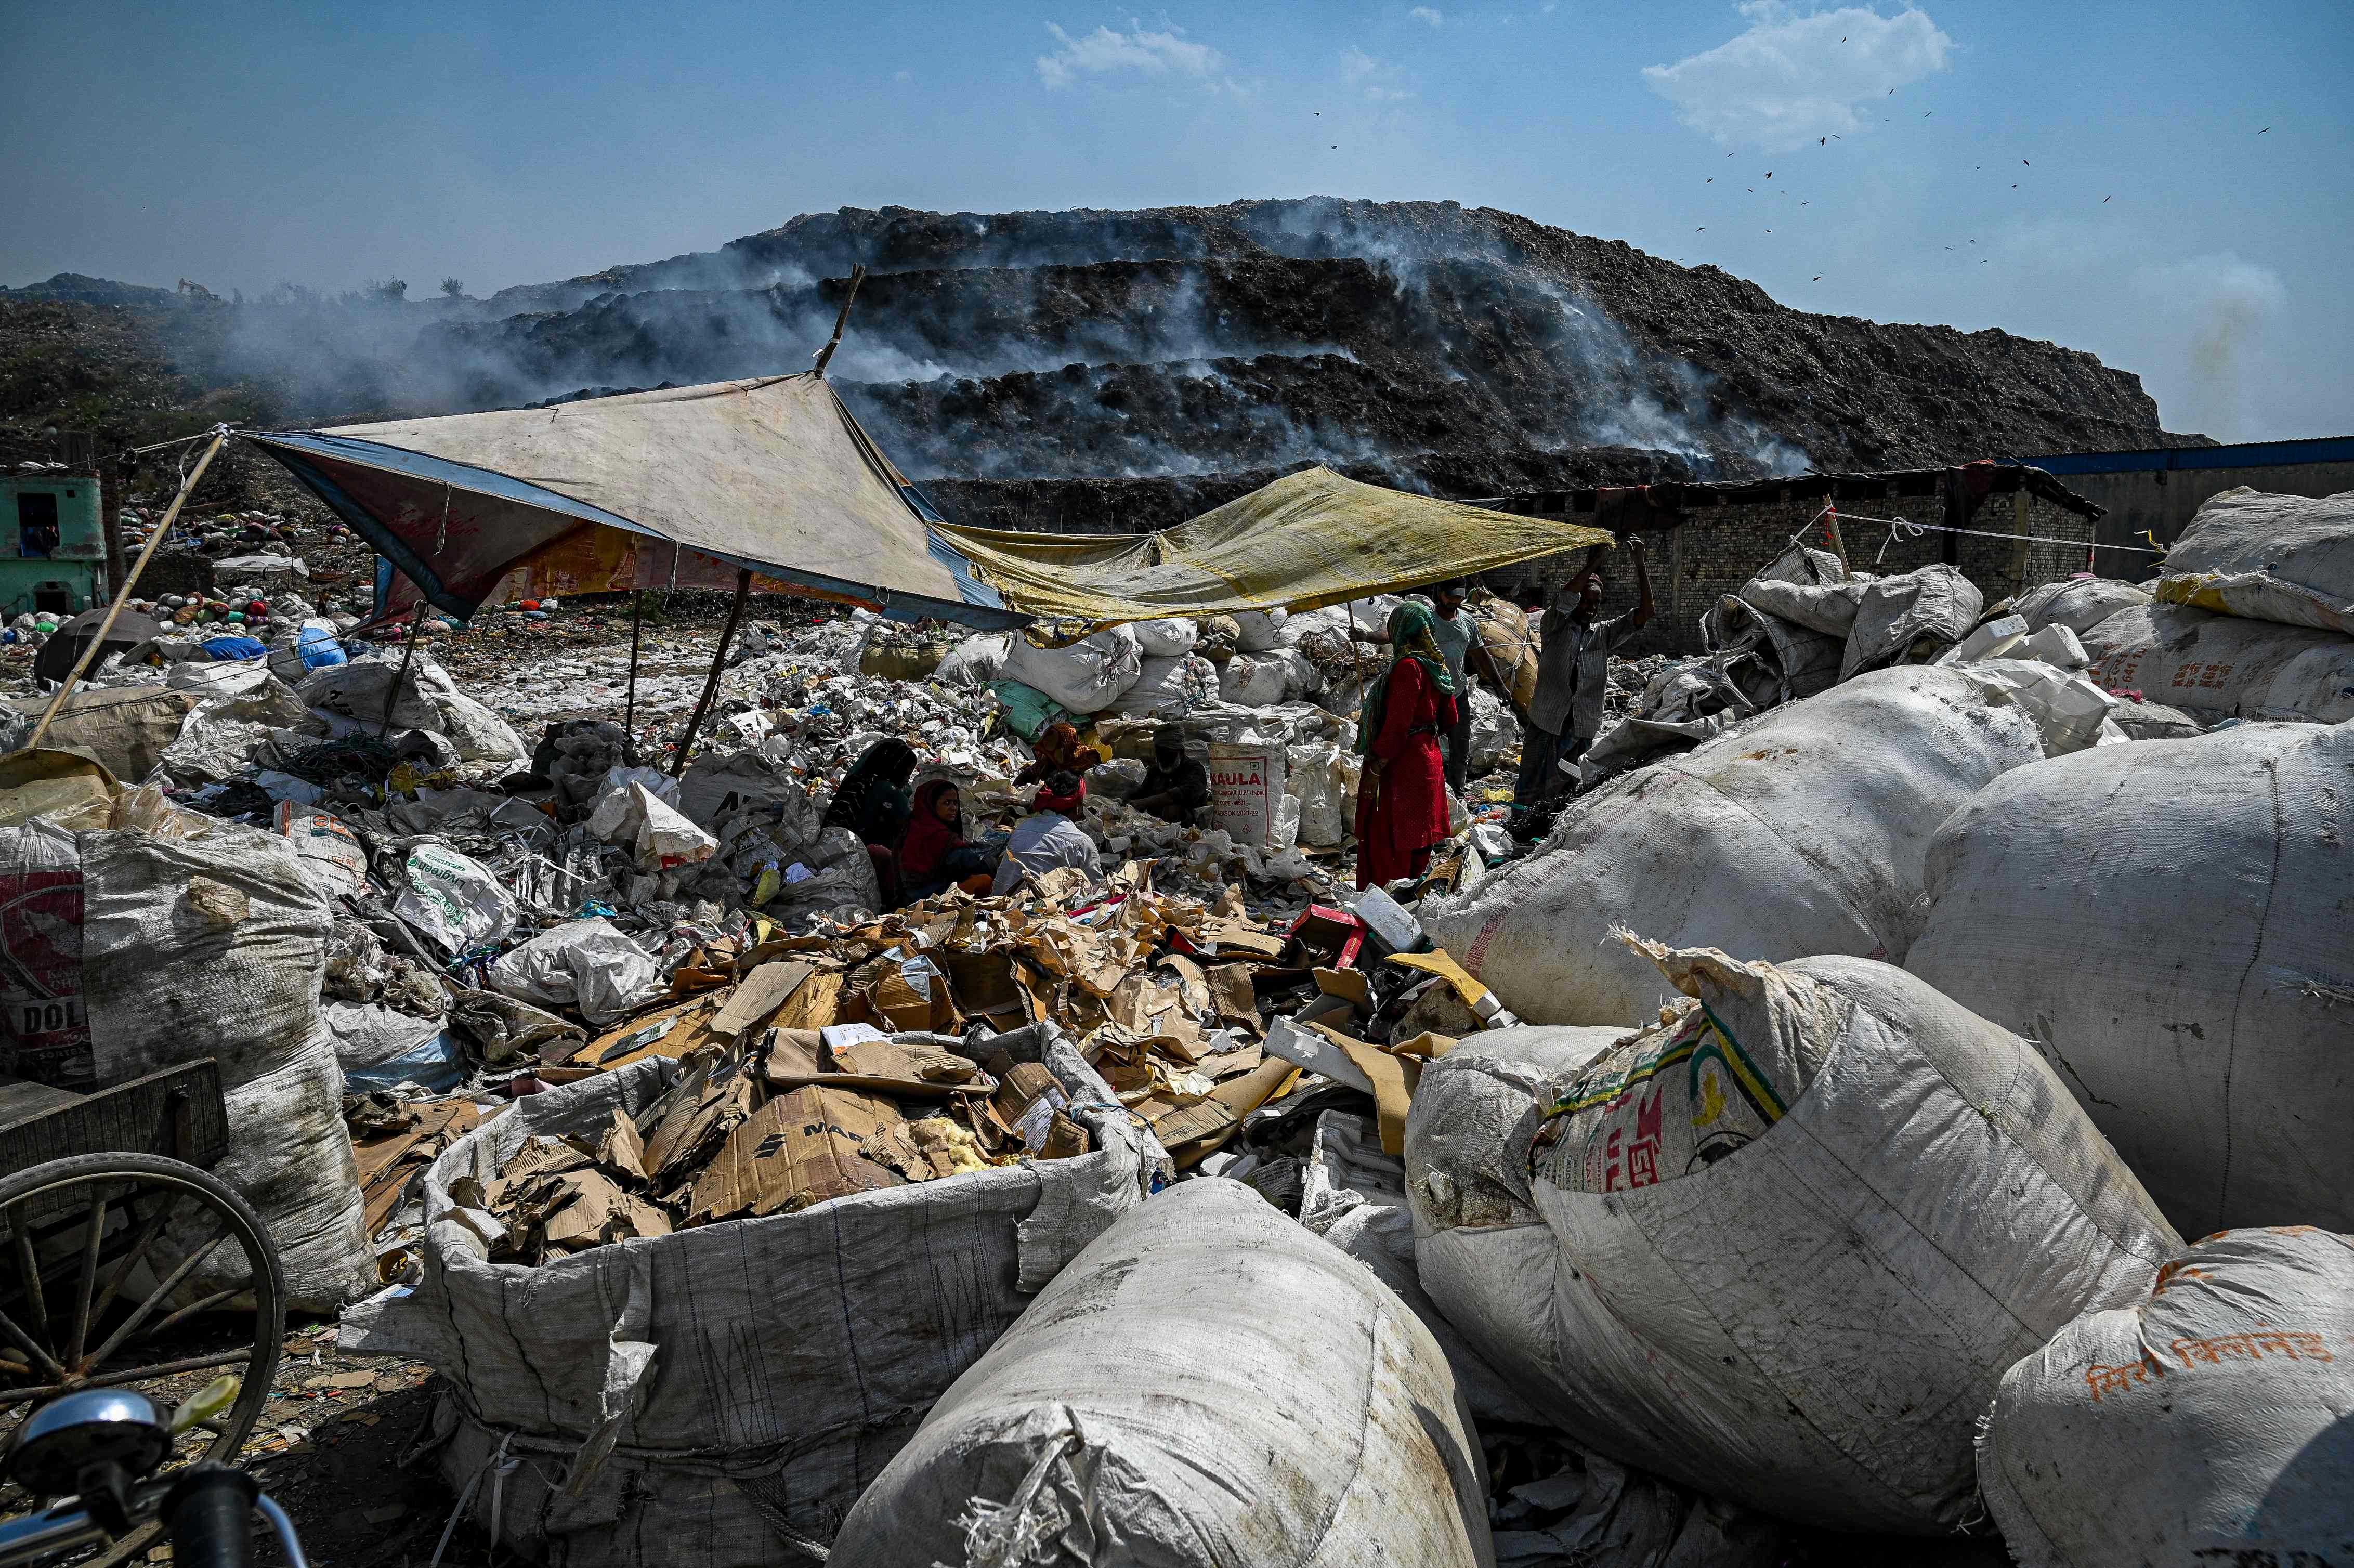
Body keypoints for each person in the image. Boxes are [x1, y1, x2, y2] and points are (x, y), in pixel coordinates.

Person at [1513, 536, 1654, 837]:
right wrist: (1594, 563)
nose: (1590, 608)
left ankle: (1551, 832)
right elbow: (1565, 597)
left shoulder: (1602, 635)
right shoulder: (1554, 627)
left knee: (1568, 781)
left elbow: (1644, 614)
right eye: (1586, 601)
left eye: (1595, 604)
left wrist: (1640, 566)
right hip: (1547, 719)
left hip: (1579, 727)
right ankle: (1519, 829)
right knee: (1531, 778)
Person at [1351, 581, 1499, 794]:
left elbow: (1398, 726)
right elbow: (1391, 632)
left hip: (1453, 693)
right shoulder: (1423, 619)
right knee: (1432, 747)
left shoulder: (1410, 667)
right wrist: (1367, 636)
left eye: (1459, 597)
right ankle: (1439, 782)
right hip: (1429, 704)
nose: (1455, 602)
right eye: (1451, 597)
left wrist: (1377, 768)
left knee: (1460, 745)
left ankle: (1456, 791)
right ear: (1441, 594)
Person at [1353, 603, 1461, 891]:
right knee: (1418, 838)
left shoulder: (1407, 667)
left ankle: (1388, 903)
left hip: (1403, 765)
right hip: (1429, 758)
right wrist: (1426, 731)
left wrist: (1378, 763)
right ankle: (1413, 898)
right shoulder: (1436, 665)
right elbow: (1451, 717)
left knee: (1392, 839)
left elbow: (1397, 727)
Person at [823, 737, 917, 903]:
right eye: (907, 774)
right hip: (867, 856)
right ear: (897, 768)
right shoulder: (889, 790)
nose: (906, 780)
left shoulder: (860, 780)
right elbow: (909, 826)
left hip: (835, 849)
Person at [993, 770, 1104, 894]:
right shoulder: (1081, 842)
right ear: (1078, 807)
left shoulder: (1021, 829)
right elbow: (1098, 889)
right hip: (1042, 910)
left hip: (999, 906)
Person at [899, 779, 1005, 902]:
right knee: (984, 881)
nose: (954, 808)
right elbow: (975, 867)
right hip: (931, 898)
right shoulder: (942, 838)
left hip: (907, 896)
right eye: (947, 803)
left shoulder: (911, 827)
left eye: (955, 803)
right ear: (931, 805)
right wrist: (995, 862)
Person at [1129, 726, 1210, 825]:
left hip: (1189, 824)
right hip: (1155, 824)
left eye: (1168, 754)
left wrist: (1143, 803)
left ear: (1181, 752)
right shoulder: (1155, 770)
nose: (1163, 759)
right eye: (1160, 754)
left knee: (1172, 810)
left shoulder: (1194, 769)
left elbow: (1181, 794)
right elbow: (1141, 794)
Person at [1013, 723, 1102, 789]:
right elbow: (1028, 775)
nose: (1044, 756)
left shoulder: (1085, 761)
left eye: (1050, 752)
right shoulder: (1048, 758)